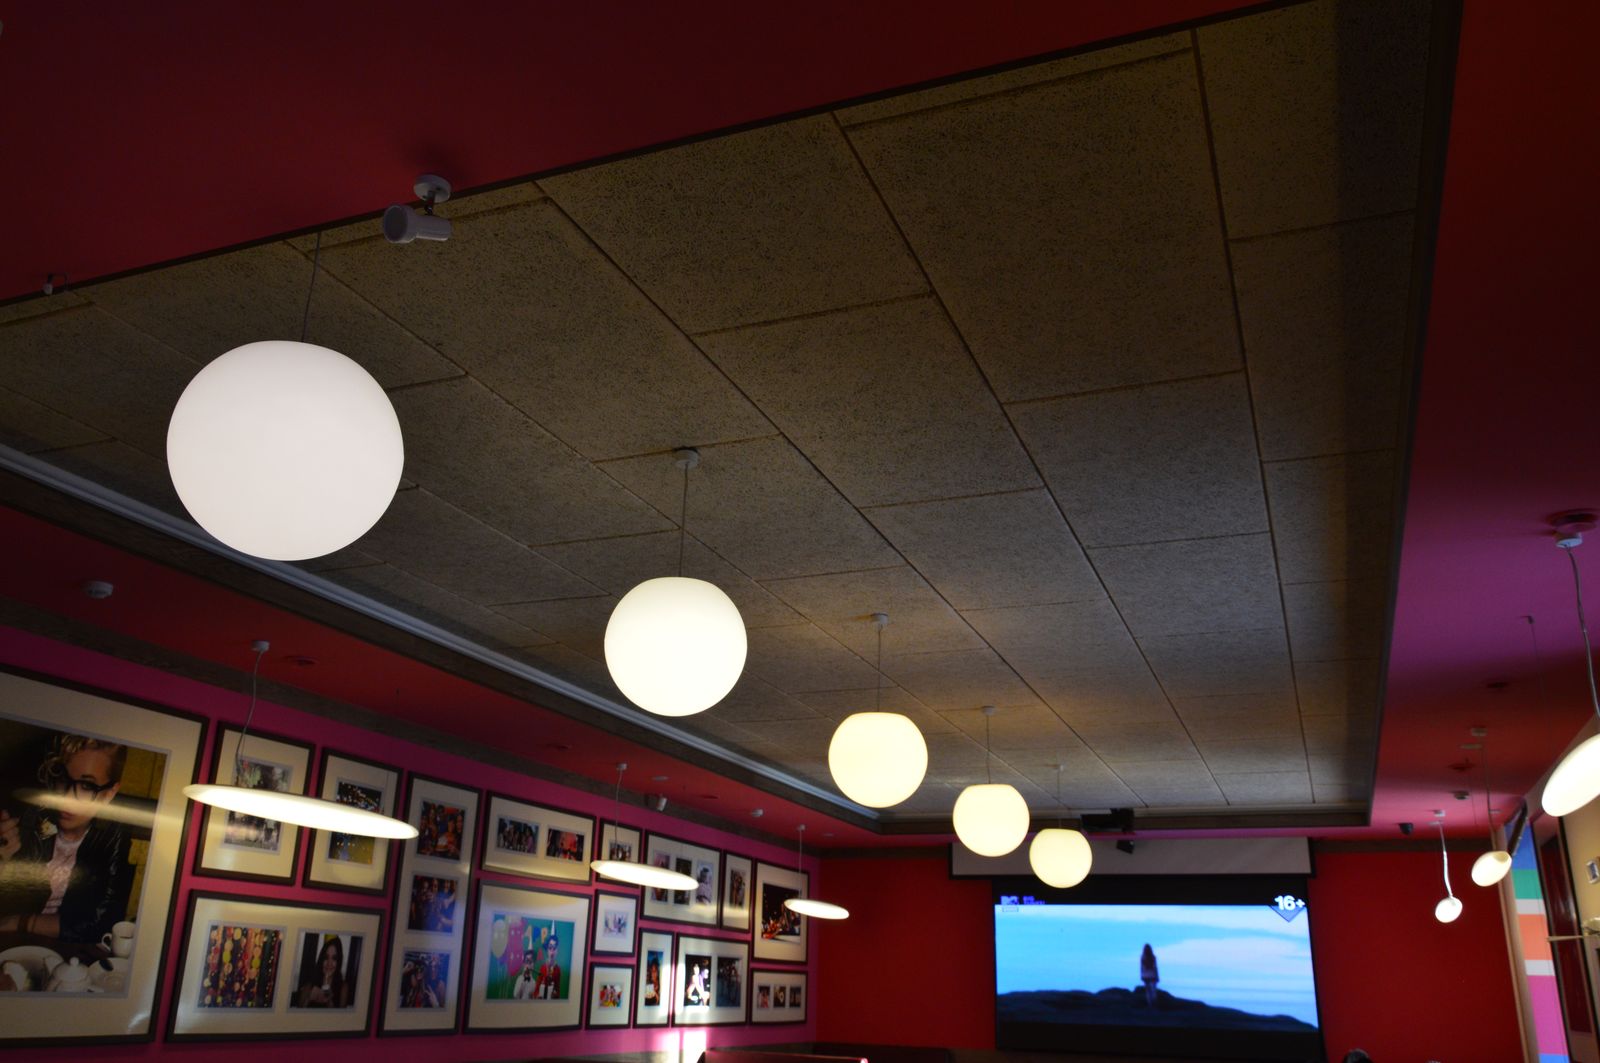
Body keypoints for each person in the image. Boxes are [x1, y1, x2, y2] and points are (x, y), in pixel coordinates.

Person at [0, 734, 132, 945]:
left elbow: (102, 922)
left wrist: (19, 922)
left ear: (109, 793)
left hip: (66, 949)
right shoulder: (26, 814)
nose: (67, 799)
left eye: (86, 786)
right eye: (63, 778)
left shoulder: (113, 834)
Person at [296, 935, 352, 1008]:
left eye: (334, 958)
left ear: (339, 961)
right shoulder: (309, 985)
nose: (329, 963)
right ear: (321, 959)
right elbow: (298, 1013)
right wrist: (308, 998)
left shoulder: (343, 987)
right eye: (326, 957)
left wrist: (329, 1000)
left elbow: (342, 1015)